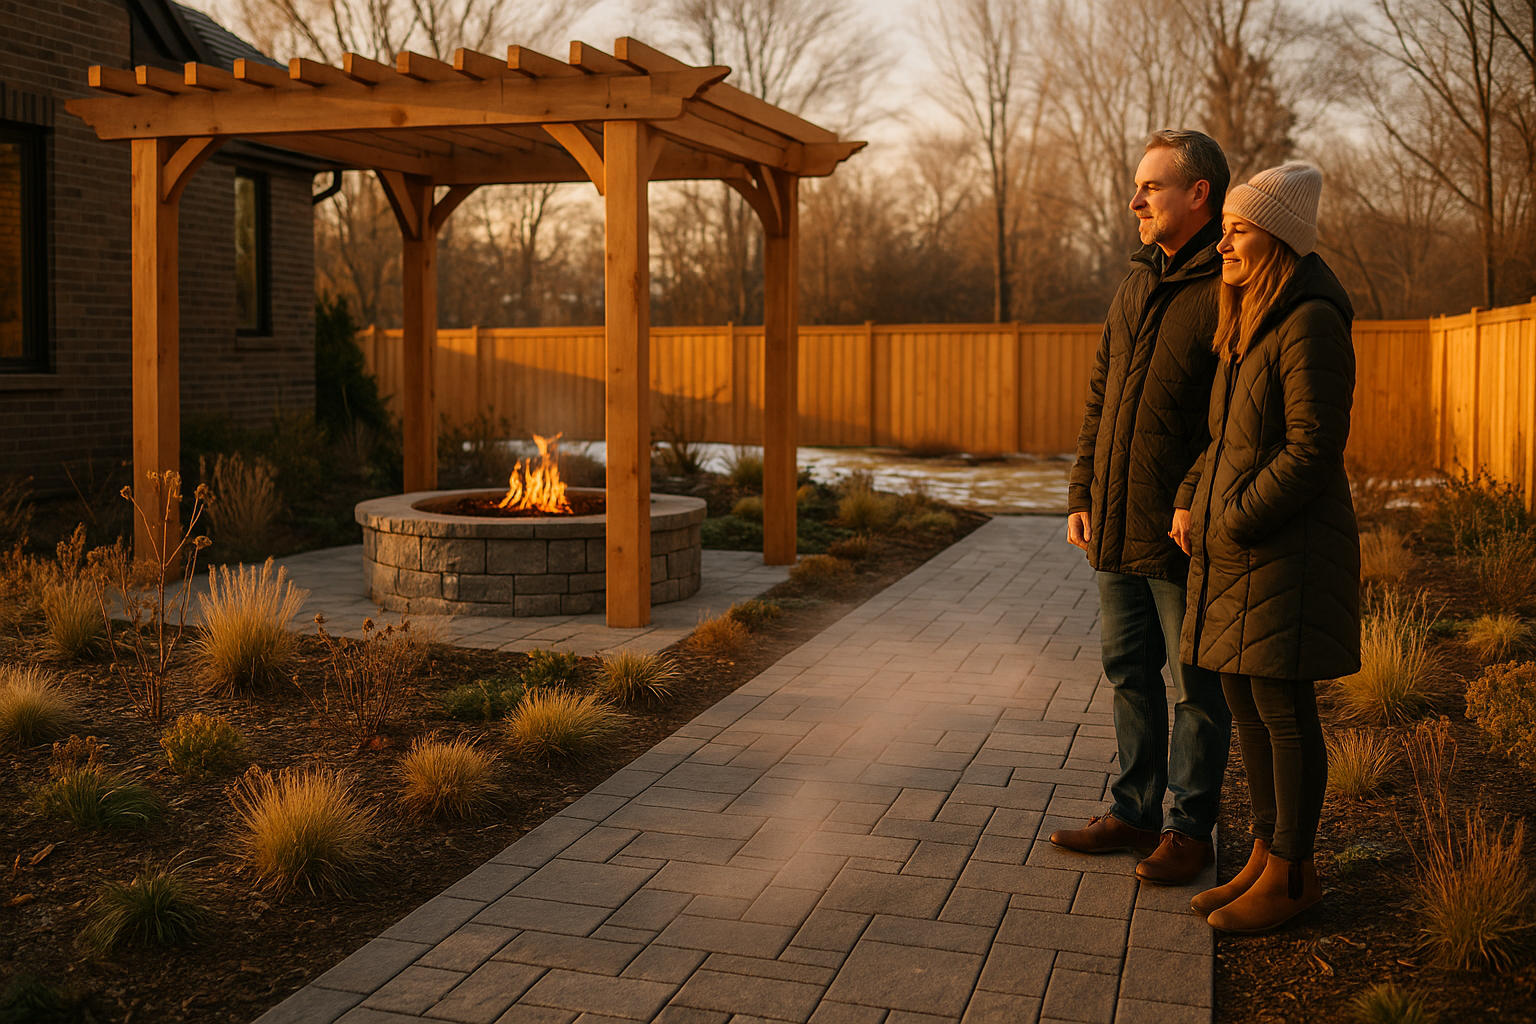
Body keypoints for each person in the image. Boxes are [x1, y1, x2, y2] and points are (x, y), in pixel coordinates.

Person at [1171, 162, 1361, 933]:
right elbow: (1225, 440)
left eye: (1238, 231)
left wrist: (1239, 516)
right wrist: (1191, 496)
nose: (1223, 244)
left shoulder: (1311, 320)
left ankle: (1294, 875)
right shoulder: (1252, 319)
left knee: (1282, 709)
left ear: (1276, 236)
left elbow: (1315, 448)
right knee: (1246, 700)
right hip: (1241, 551)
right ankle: (1265, 853)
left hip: (1285, 553)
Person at [1053, 129, 1232, 887]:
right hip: (1115, 519)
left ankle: (1190, 829)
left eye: (1150, 187)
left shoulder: (1230, 283)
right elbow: (1102, 396)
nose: (1134, 201)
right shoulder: (1135, 281)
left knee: (1195, 685)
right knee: (1129, 671)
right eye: (1137, 186)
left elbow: (1233, 417)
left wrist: (1190, 496)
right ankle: (1133, 813)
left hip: (1177, 530)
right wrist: (1081, 492)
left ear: (1200, 195)